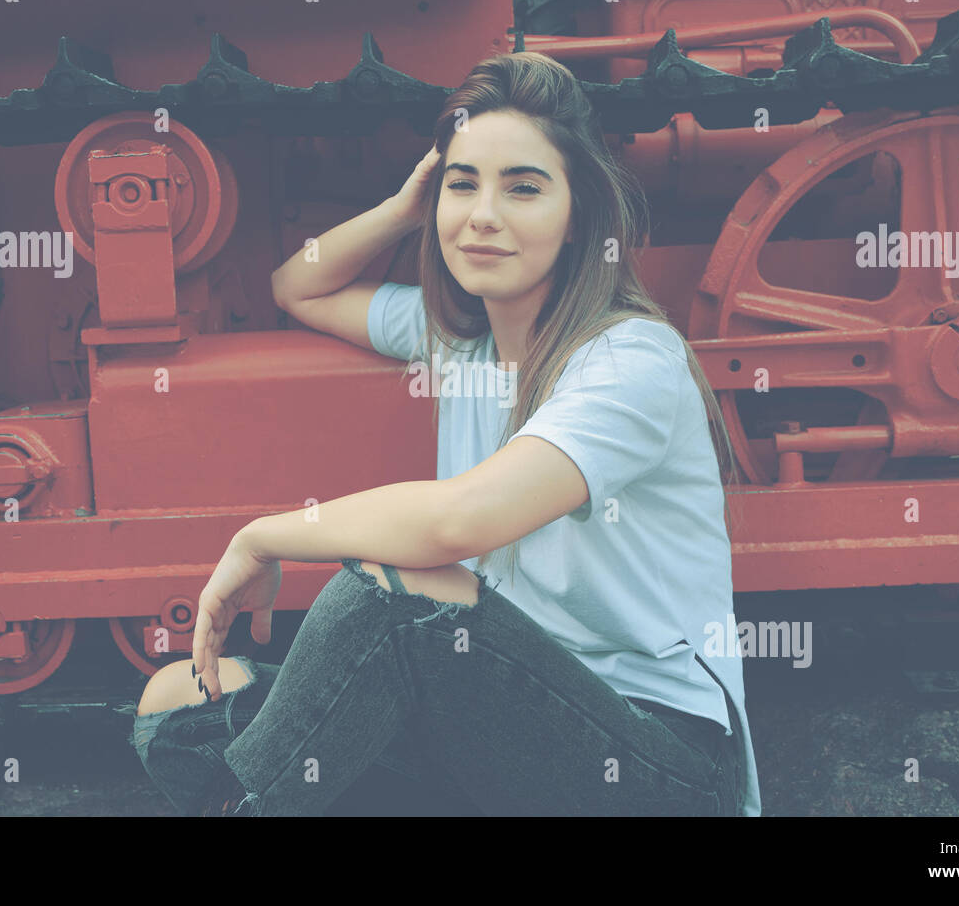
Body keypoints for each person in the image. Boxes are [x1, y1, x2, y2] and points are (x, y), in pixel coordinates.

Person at [127, 51, 761, 816]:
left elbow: (456, 523)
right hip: (493, 720)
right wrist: (405, 207)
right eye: (463, 185)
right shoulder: (461, 346)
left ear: (579, 218)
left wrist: (262, 538)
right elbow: (297, 283)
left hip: (655, 763)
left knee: (395, 594)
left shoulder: (632, 360)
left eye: (523, 187)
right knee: (175, 704)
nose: (484, 214)